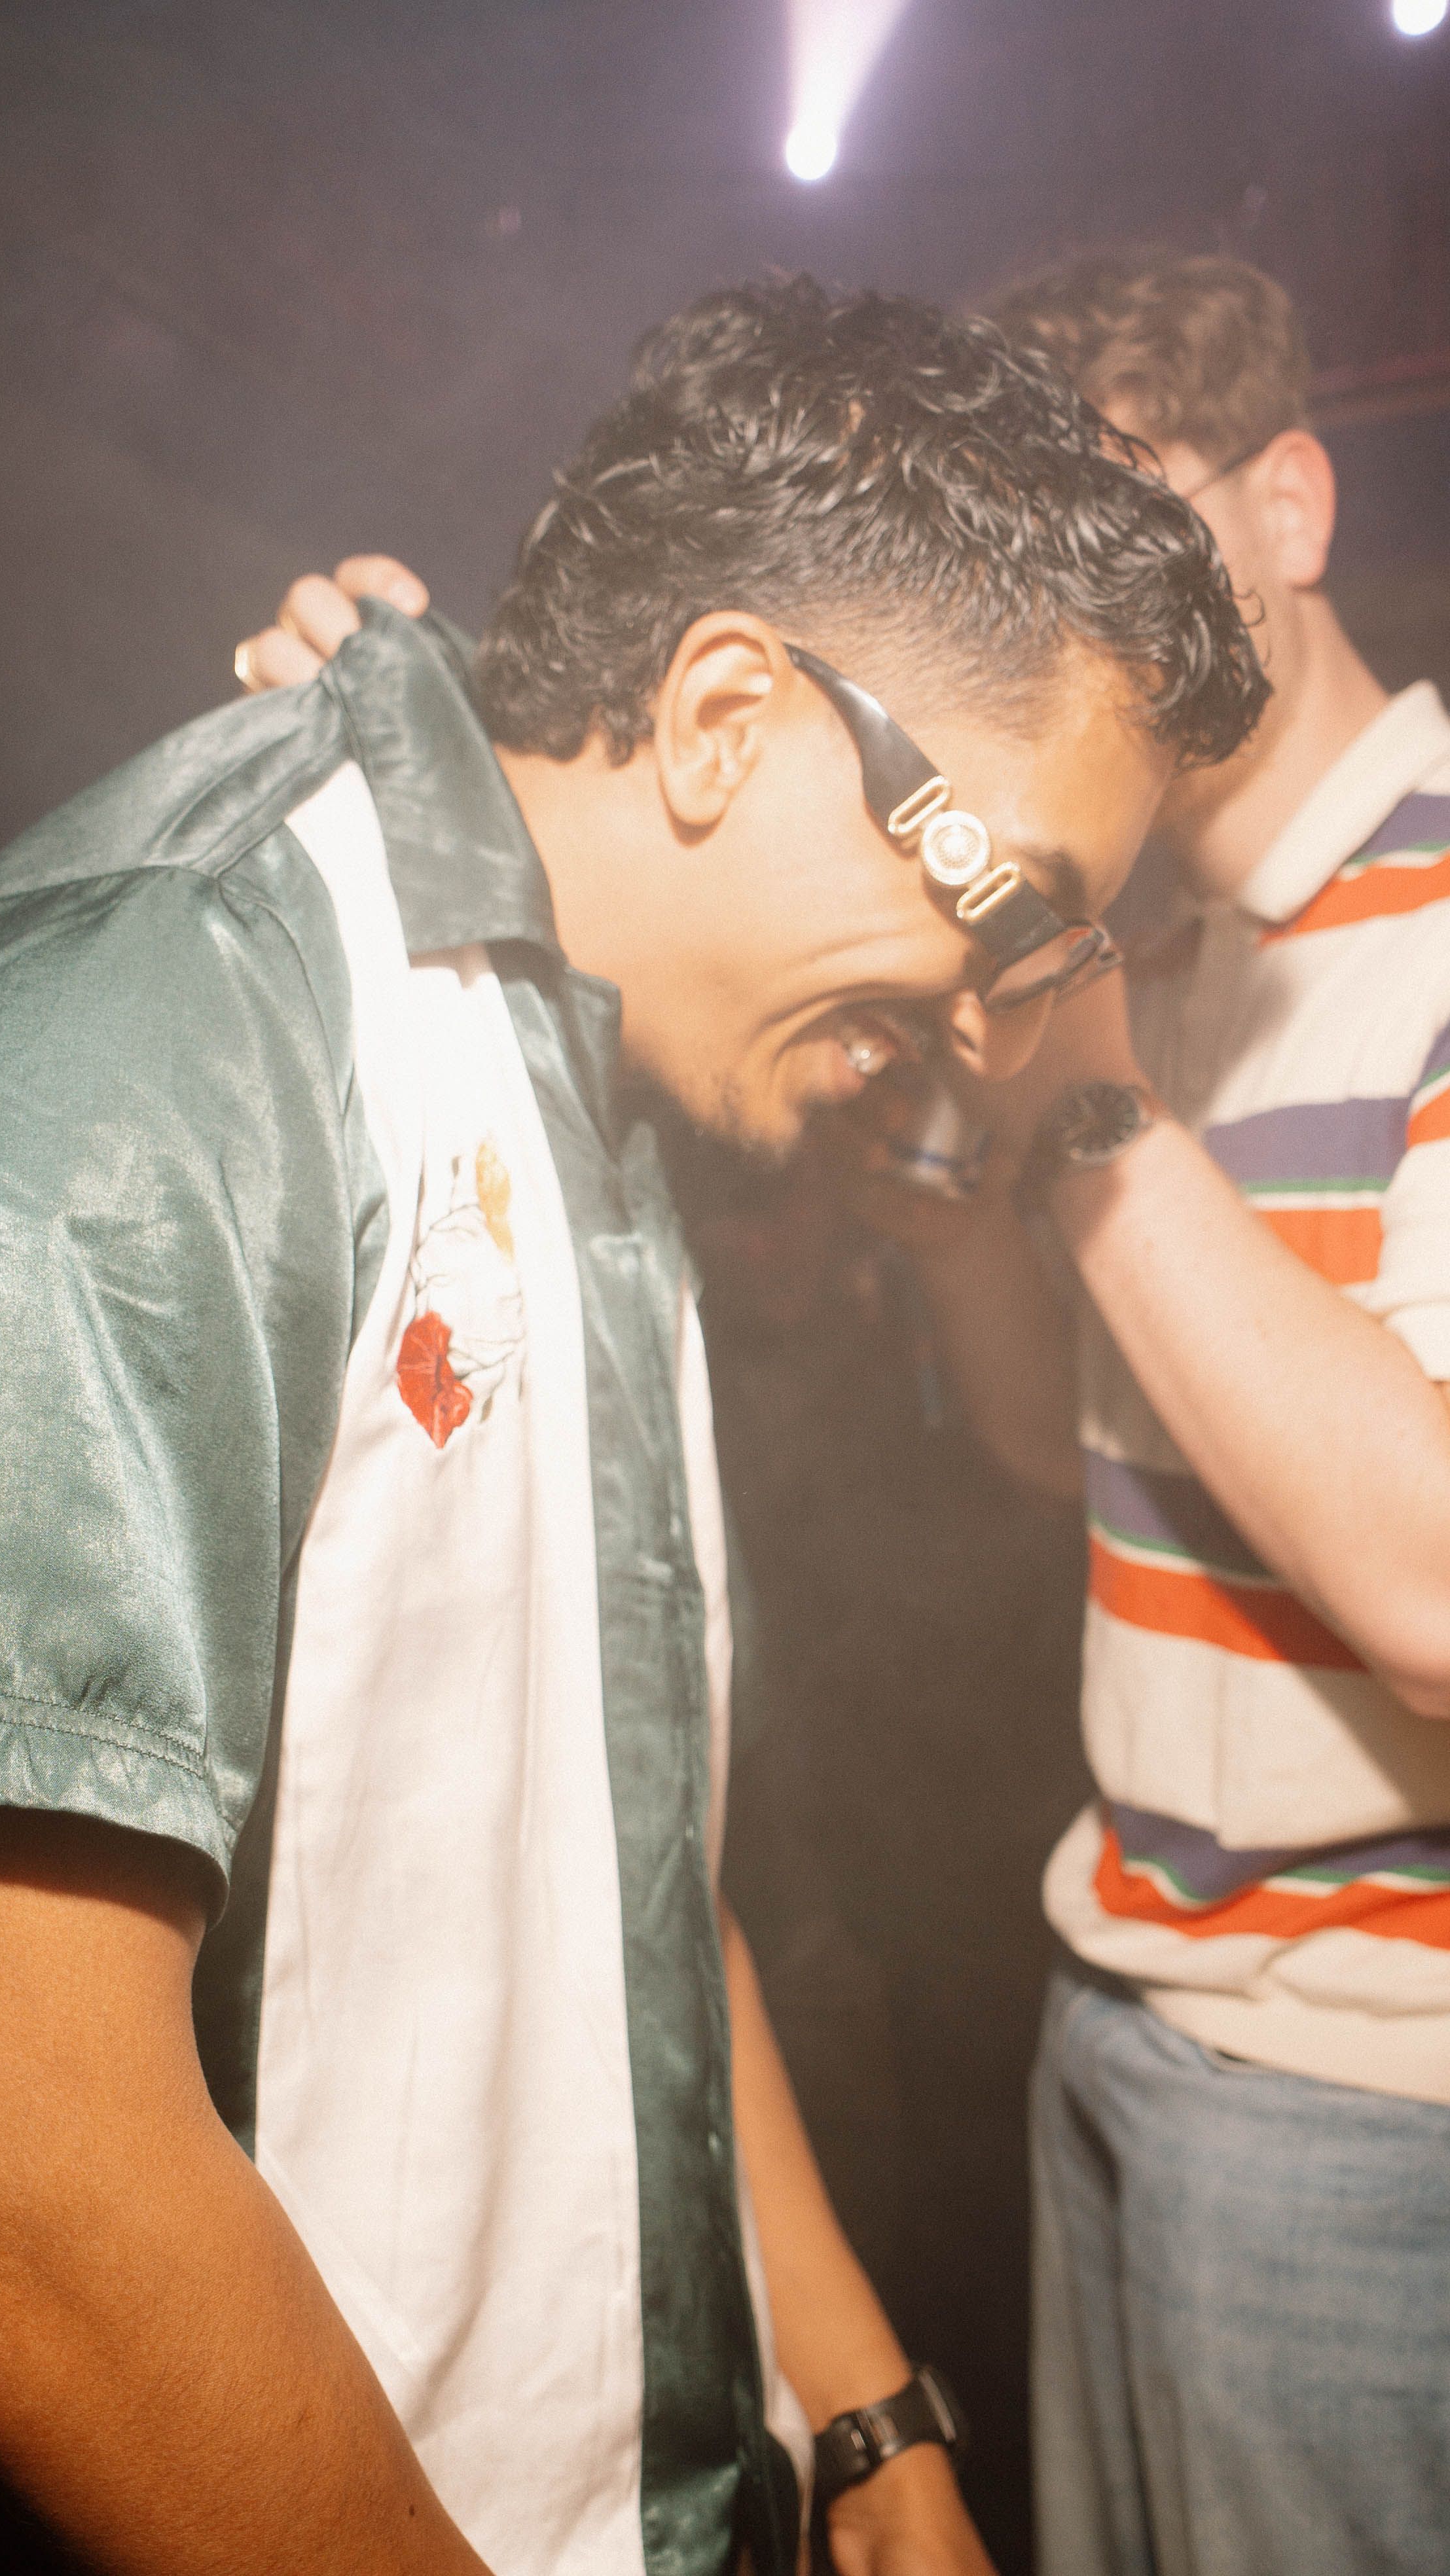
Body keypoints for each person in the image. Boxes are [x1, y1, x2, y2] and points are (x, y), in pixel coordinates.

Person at [0, 277, 1260, 2576]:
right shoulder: (142, 1043)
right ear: (727, 716)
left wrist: (859, 2411)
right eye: (1013, 914)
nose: (1005, 1027)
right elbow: (2, 2208)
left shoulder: (612, 1064)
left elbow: (618, 1847)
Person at [903, 254, 1450, 2576]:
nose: (1088, 613)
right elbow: (1078, 1463)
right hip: (1123, 1995)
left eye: (1134, 517)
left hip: (1369, 2097)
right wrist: (950, 1210)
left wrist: (1096, 1112)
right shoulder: (1177, 958)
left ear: (1294, 506)